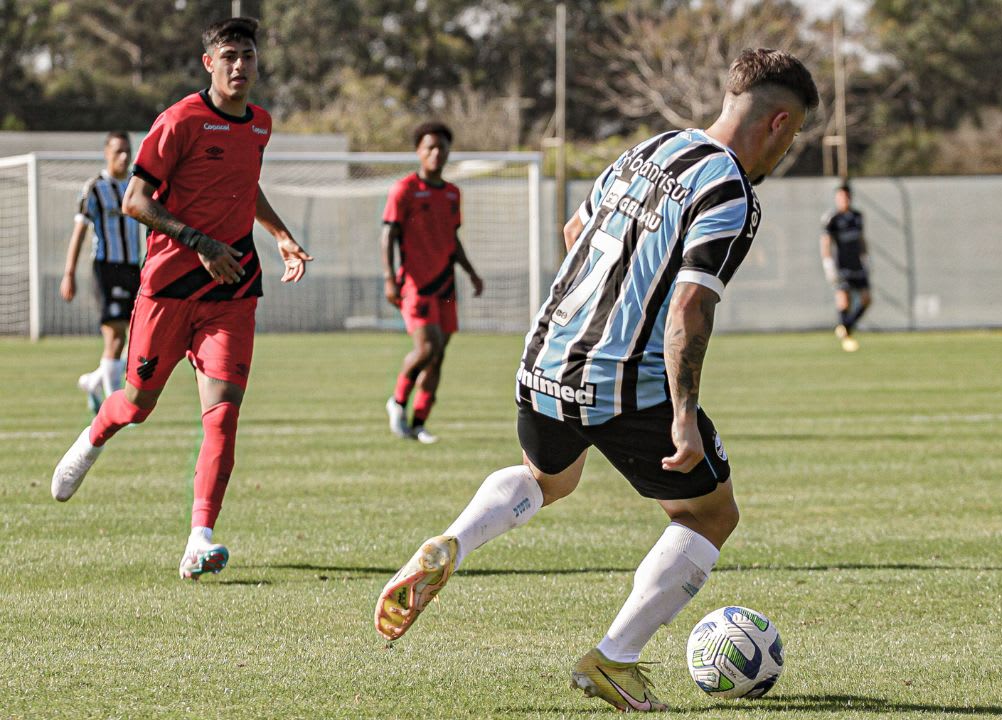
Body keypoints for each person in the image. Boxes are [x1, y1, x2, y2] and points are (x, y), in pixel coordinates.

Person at [373, 48, 818, 712]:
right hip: (620, 382)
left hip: (542, 360)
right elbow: (691, 305)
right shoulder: (731, 190)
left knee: (548, 478)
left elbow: (575, 228)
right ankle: (615, 658)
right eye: (795, 135)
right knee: (708, 512)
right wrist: (684, 412)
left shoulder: (651, 148)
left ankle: (452, 541)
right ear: (778, 122)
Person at [50, 17, 313, 581]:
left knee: (222, 417)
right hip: (169, 287)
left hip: (233, 288)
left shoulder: (260, 125)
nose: (240, 65)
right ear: (209, 63)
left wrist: (281, 234)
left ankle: (200, 540)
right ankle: (96, 433)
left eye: (248, 55)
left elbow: (247, 185)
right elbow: (134, 200)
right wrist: (198, 242)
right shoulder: (179, 121)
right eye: (229, 56)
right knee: (137, 406)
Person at [381, 121, 484, 444]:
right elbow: (388, 234)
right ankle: (396, 401)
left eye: (442, 147)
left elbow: (452, 239)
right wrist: (389, 277)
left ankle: (419, 422)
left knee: (439, 356)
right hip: (414, 283)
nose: (436, 153)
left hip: (445, 284)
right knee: (427, 347)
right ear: (418, 152)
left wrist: (470, 271)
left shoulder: (453, 193)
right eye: (430, 147)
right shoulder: (404, 190)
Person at [60, 131, 146, 411]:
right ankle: (116, 405)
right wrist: (69, 272)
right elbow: (80, 231)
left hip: (134, 267)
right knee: (116, 334)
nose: (124, 156)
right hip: (106, 268)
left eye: (127, 150)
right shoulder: (95, 188)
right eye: (118, 151)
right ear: (106, 153)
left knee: (132, 337)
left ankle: (94, 381)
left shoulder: (137, 185)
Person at [820, 183, 872, 352]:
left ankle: (845, 327)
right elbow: (826, 242)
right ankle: (847, 337)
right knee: (844, 298)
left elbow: (861, 239)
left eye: (846, 196)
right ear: (837, 199)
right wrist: (828, 264)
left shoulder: (857, 216)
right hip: (841, 265)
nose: (844, 200)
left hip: (856, 263)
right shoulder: (832, 219)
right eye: (841, 197)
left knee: (866, 299)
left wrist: (866, 258)